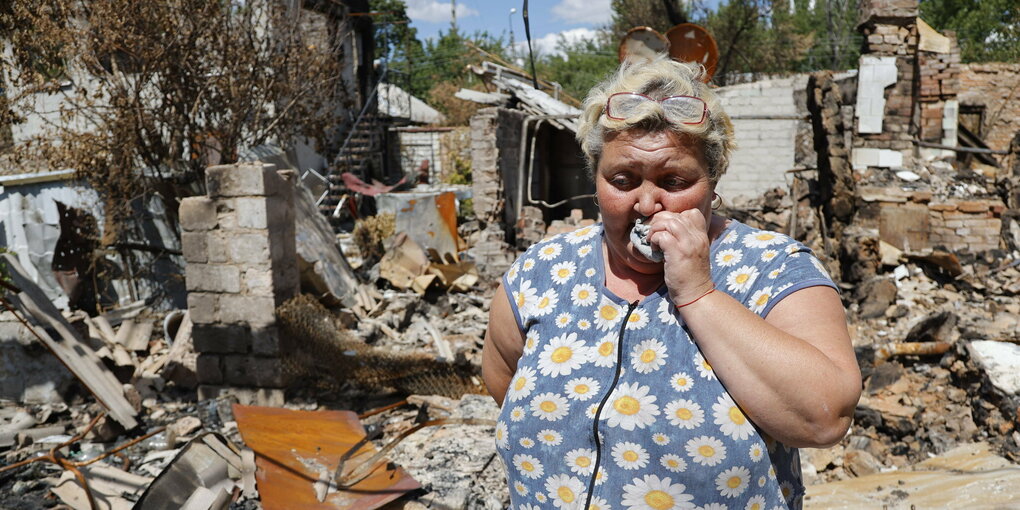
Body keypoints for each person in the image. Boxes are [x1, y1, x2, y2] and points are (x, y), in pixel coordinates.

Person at [482, 56, 861, 510]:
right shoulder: (541, 272)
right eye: (622, 180)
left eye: (674, 180)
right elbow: (504, 380)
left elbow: (824, 417)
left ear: (712, 179)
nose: (646, 203)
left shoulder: (773, 269)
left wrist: (699, 292)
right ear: (595, 178)